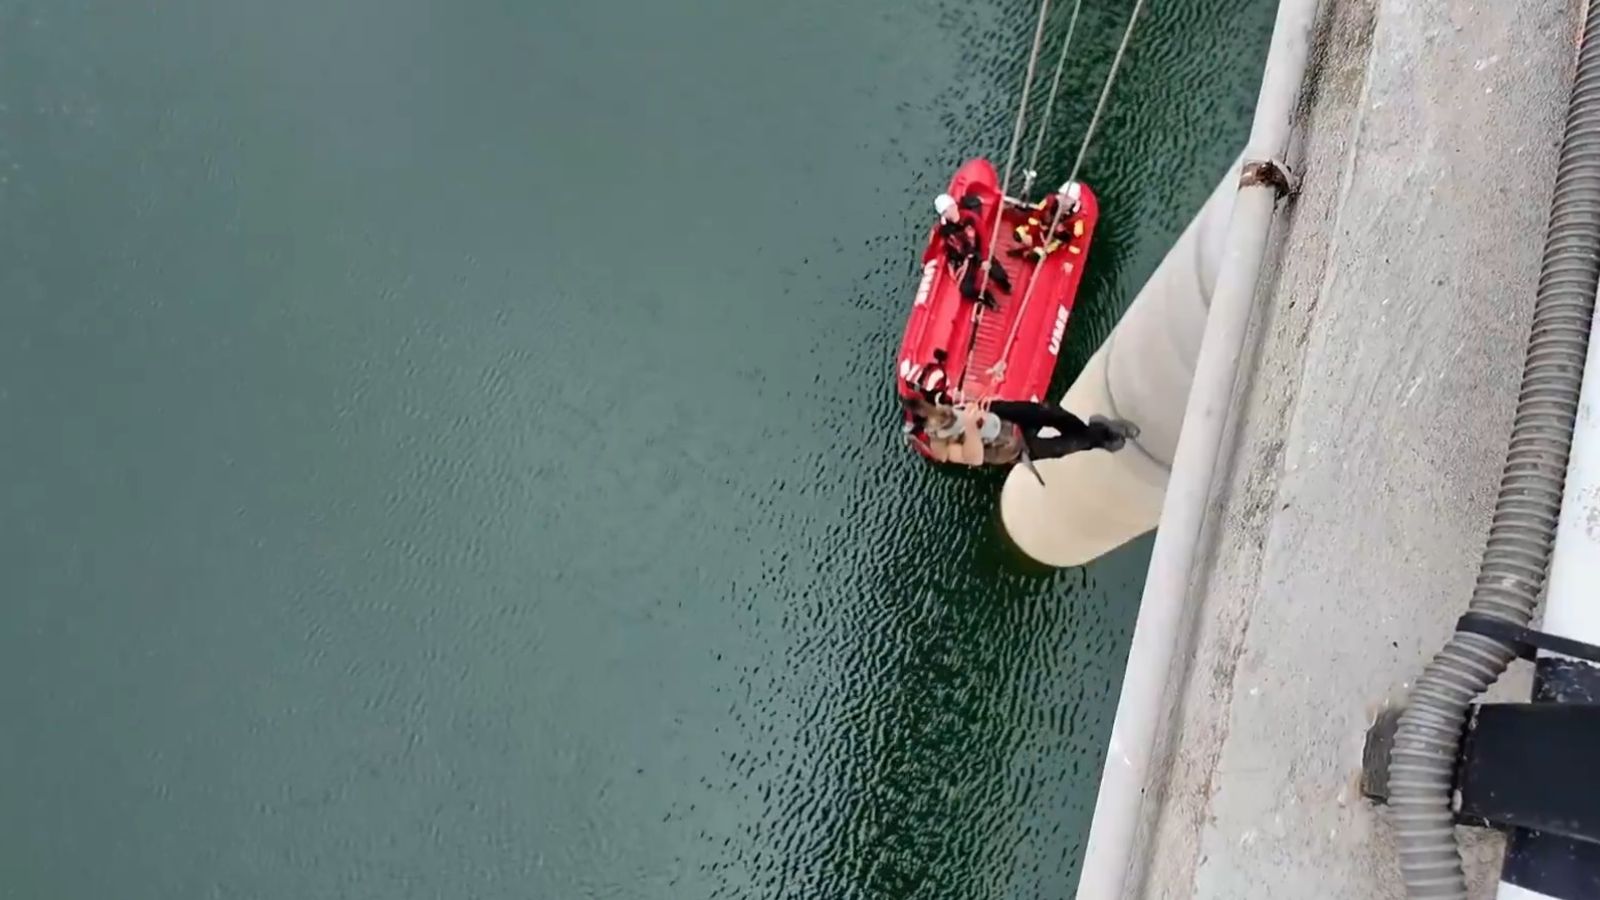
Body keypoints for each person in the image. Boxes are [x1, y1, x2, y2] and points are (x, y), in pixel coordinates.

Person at [902, 394, 1136, 467]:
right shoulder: (940, 443)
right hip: (1007, 445)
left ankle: (1092, 429)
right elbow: (972, 458)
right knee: (1063, 448)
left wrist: (979, 405)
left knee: (1050, 413)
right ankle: (1100, 436)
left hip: (1001, 416)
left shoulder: (946, 402)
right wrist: (972, 429)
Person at [934, 192, 1012, 310]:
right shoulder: (945, 229)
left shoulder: (971, 218)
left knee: (999, 274)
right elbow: (935, 243)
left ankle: (1005, 286)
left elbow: (984, 239)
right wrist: (925, 261)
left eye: (950, 208)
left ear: (955, 206)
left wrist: (985, 259)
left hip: (979, 252)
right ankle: (988, 300)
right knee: (966, 290)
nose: (949, 213)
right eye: (945, 212)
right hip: (967, 258)